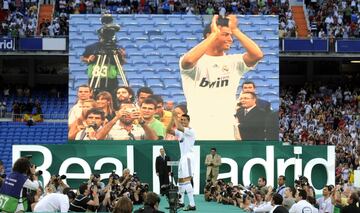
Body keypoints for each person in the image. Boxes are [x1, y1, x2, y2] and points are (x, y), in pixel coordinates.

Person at [179, 15, 263, 140]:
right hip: (198, 128)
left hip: (226, 129)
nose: (231, 39)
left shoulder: (234, 62)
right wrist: (213, 35)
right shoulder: (195, 61)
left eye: (231, 35)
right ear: (209, 35)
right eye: (225, 35)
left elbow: (257, 55)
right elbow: (188, 61)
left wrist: (235, 30)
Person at [81, 14, 126, 96]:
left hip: (111, 80)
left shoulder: (117, 48)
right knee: (94, 96)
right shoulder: (92, 47)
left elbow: (122, 63)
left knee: (112, 96)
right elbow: (83, 57)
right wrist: (88, 59)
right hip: (95, 78)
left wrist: (122, 56)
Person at [168, 112, 196, 211]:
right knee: (180, 181)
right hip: (183, 158)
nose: (183, 121)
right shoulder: (180, 132)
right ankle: (181, 202)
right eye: (181, 120)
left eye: (185, 120)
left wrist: (176, 117)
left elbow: (179, 127)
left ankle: (192, 205)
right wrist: (172, 118)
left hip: (188, 157)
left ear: (188, 121)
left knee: (187, 180)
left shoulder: (190, 131)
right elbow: (168, 130)